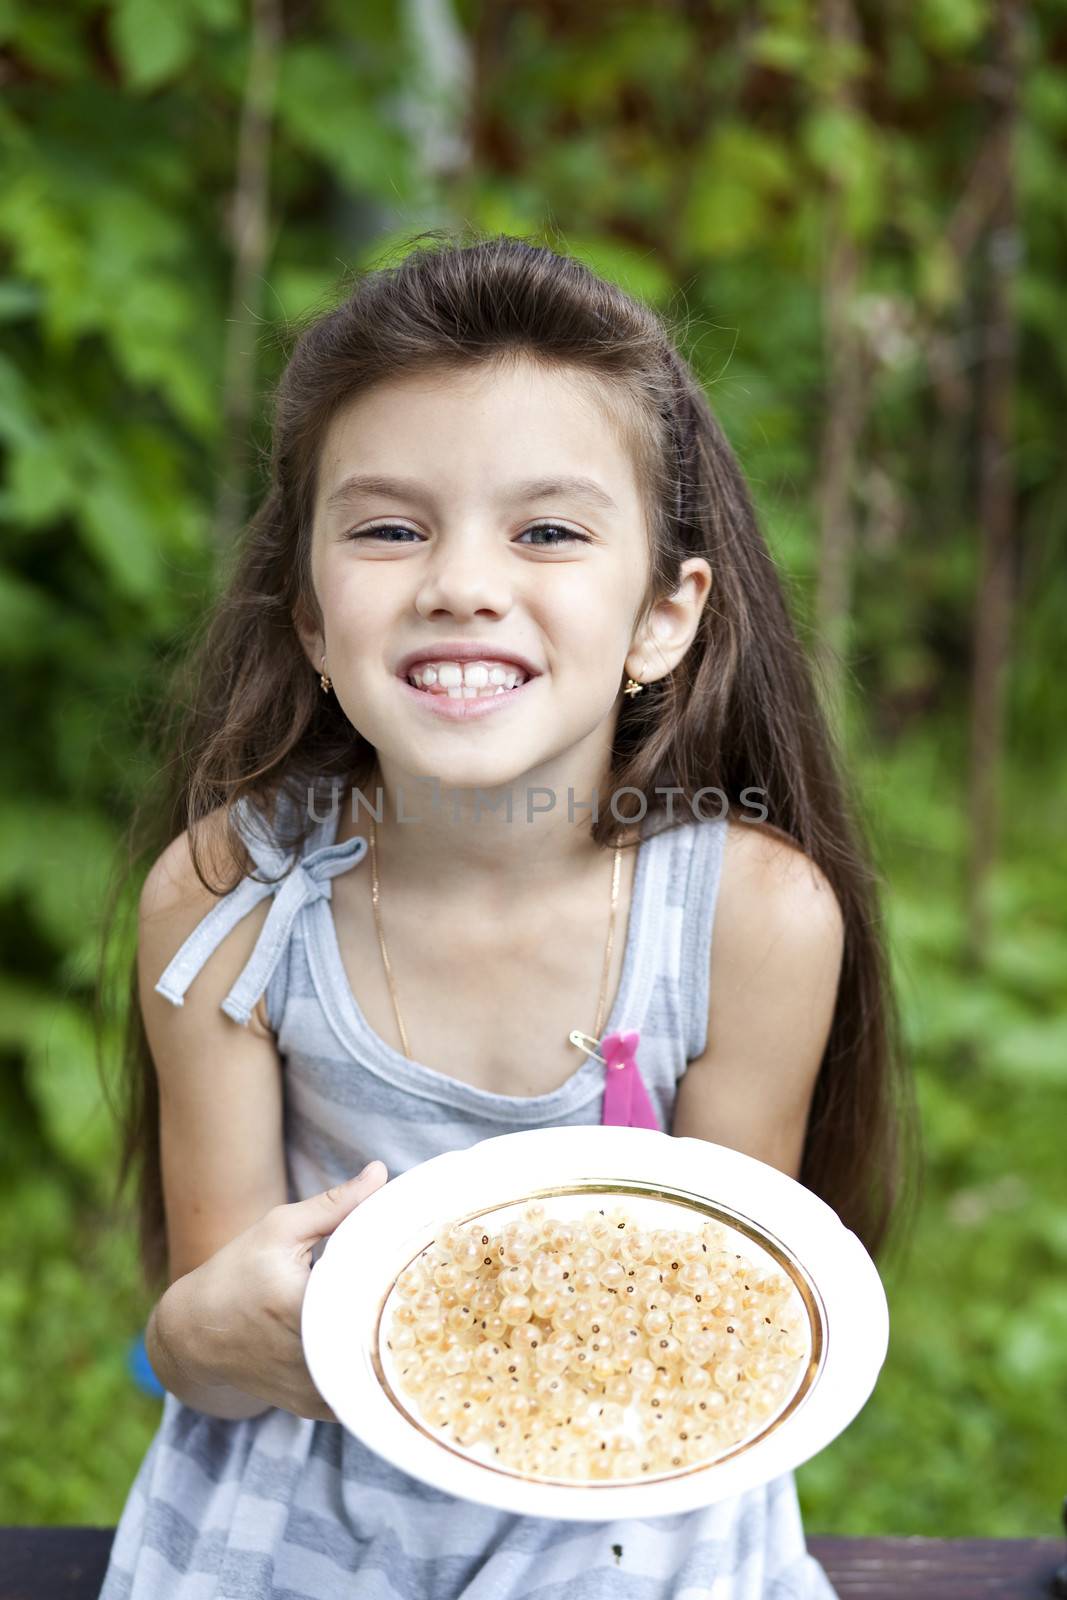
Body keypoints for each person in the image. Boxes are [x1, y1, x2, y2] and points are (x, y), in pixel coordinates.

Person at [97, 232, 915, 1598]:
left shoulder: (750, 919)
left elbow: (728, 1305)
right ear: (310, 617)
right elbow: (201, 1343)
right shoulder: (228, 898)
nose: (462, 582)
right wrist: (214, 1331)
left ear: (665, 614)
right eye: (387, 526)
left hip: (632, 1516)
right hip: (305, 1533)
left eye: (546, 530)